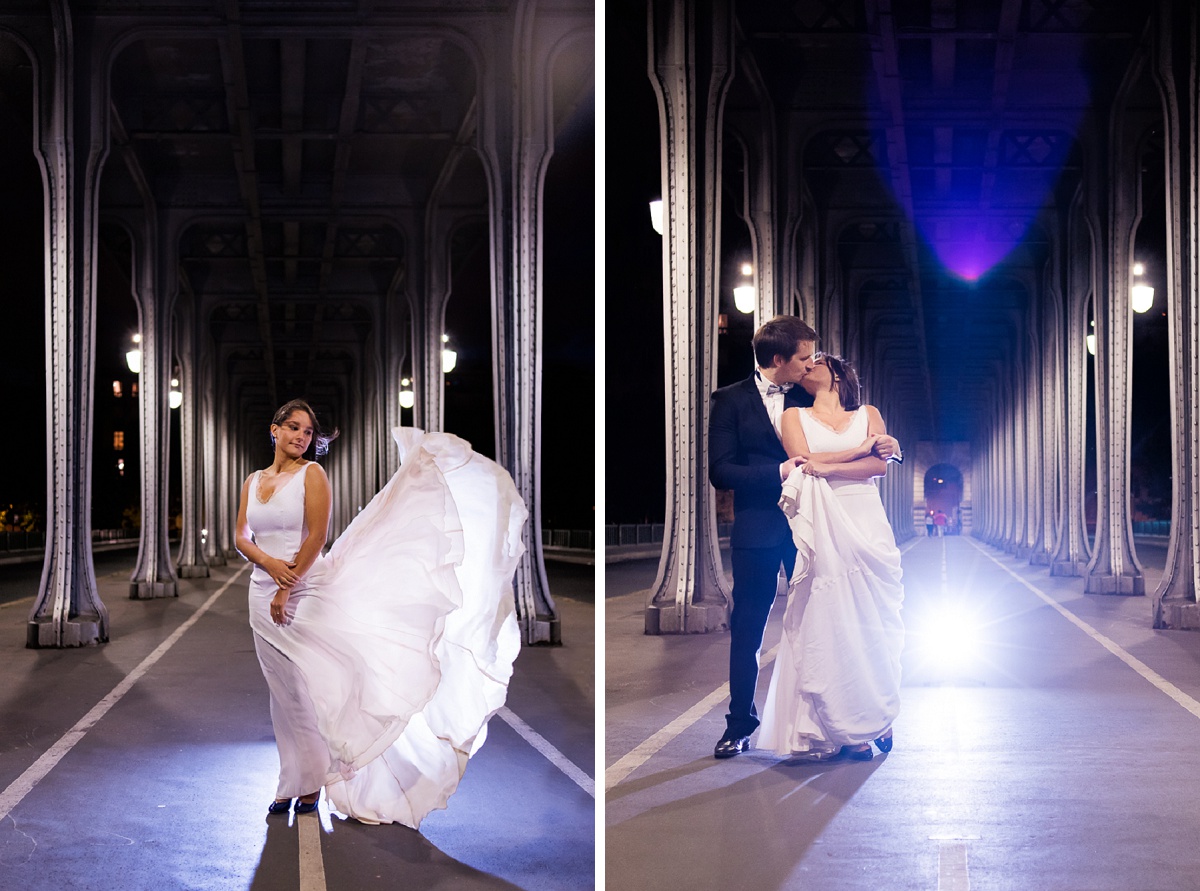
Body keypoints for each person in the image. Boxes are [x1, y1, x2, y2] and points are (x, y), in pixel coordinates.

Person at [235, 399, 526, 826]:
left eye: (308, 432)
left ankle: (312, 783)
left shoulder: (312, 475)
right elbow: (241, 535)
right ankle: (289, 782)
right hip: (261, 593)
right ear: (273, 430)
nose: (301, 436)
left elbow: (318, 536)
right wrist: (270, 567)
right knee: (282, 695)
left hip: (302, 590)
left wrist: (287, 581)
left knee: (305, 689)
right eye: (293, 428)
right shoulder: (253, 480)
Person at [707, 318, 899, 759]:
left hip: (815, 529)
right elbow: (721, 470)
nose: (812, 363)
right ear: (779, 359)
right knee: (748, 627)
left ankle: (850, 718)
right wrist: (779, 472)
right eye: (803, 356)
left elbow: (858, 438)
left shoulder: (807, 395)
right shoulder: (730, 401)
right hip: (759, 526)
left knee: (833, 622)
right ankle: (739, 725)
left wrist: (885, 443)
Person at [757, 355, 904, 761]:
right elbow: (803, 465)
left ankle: (876, 714)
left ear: (837, 374)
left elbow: (880, 466)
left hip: (867, 522)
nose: (806, 366)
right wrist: (857, 451)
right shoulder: (793, 417)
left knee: (875, 624)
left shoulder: (869, 413)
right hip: (823, 520)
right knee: (832, 622)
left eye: (815, 361)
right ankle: (844, 727)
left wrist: (831, 462)